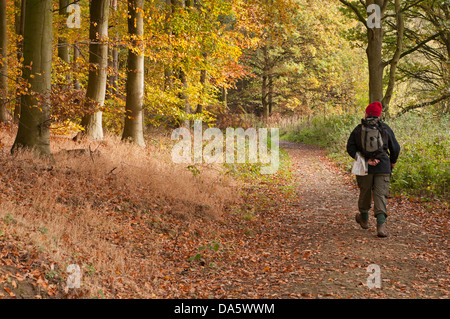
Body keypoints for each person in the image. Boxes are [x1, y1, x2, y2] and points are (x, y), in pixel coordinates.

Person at [346, 102, 401, 237]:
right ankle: (381, 226)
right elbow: (396, 147)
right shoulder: (385, 128)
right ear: (379, 114)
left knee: (365, 192)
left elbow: (350, 147)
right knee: (380, 194)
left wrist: (365, 159)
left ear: (366, 113)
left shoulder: (359, 129)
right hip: (383, 166)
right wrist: (392, 161)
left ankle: (364, 219)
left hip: (365, 166)